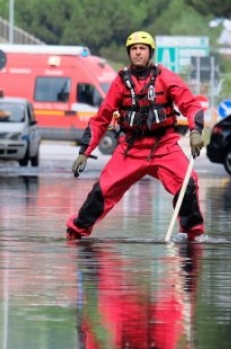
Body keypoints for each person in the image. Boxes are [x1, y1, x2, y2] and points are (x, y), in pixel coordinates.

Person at [66, 31, 206, 241]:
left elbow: (190, 104)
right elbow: (101, 119)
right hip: (130, 149)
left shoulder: (165, 76)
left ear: (150, 52)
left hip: (164, 146)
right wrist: (85, 152)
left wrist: (195, 131)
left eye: (142, 49)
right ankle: (75, 232)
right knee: (101, 191)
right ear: (129, 53)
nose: (138, 52)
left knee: (189, 186)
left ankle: (192, 237)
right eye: (134, 49)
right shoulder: (120, 81)